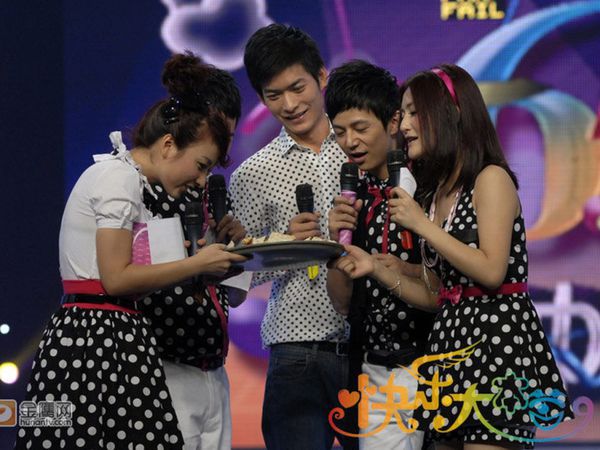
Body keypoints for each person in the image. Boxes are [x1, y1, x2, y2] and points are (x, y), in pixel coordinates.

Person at [331, 64, 573, 449]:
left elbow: (491, 270)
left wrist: (422, 225)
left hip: (496, 342)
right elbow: (436, 293)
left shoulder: (491, 178)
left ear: (451, 114)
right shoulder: (440, 191)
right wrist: (378, 268)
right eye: (403, 113)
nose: (404, 125)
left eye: (414, 113)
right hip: (448, 345)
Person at [15, 53, 246, 449]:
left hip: (118, 335)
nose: (201, 180)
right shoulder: (118, 178)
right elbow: (116, 278)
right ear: (169, 145)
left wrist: (208, 265)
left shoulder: (131, 181)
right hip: (91, 341)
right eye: (201, 165)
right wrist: (195, 264)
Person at [229, 24, 356, 450]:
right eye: (274, 95)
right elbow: (234, 284)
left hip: (371, 343)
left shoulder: (362, 147)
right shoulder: (253, 174)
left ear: (321, 76)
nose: (289, 104)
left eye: (297, 87)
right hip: (295, 348)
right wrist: (284, 247)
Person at [140, 55, 251, 450]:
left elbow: (234, 297)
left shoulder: (211, 190)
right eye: (219, 131)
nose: (224, 146)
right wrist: (196, 262)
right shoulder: (147, 188)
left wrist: (235, 253)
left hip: (215, 370)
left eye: (230, 136)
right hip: (165, 366)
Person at [325, 60, 435, 450]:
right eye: (340, 132)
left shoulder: (431, 188)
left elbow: (450, 283)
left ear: (393, 122)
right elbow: (342, 303)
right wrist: (335, 245)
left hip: (436, 365)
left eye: (360, 128)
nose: (350, 142)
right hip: (375, 371)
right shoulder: (354, 200)